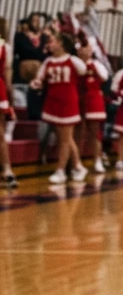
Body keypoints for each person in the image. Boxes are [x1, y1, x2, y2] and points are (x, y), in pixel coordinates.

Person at [30, 31, 88, 185]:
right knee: (65, 138)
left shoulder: (73, 60)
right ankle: (78, 166)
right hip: (52, 101)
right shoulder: (48, 61)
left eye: (53, 41)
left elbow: (83, 71)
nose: (49, 44)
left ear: (62, 44)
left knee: (64, 139)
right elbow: (39, 78)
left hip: (68, 101)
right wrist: (36, 83)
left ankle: (60, 170)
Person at [77, 38, 109, 174]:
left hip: (94, 99)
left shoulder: (97, 64)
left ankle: (97, 160)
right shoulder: (74, 63)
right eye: (83, 48)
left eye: (88, 49)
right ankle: (76, 163)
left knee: (94, 132)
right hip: (77, 99)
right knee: (78, 133)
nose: (85, 51)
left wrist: (92, 69)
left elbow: (104, 77)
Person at [0, 17, 16, 187]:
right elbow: (7, 75)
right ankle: (7, 169)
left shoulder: (4, 46)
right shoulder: (6, 47)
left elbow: (7, 74)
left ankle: (7, 169)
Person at [13, 12, 46, 84]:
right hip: (24, 69)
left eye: (38, 21)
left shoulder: (44, 37)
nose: (36, 23)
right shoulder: (21, 37)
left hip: (39, 69)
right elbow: (16, 52)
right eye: (34, 20)